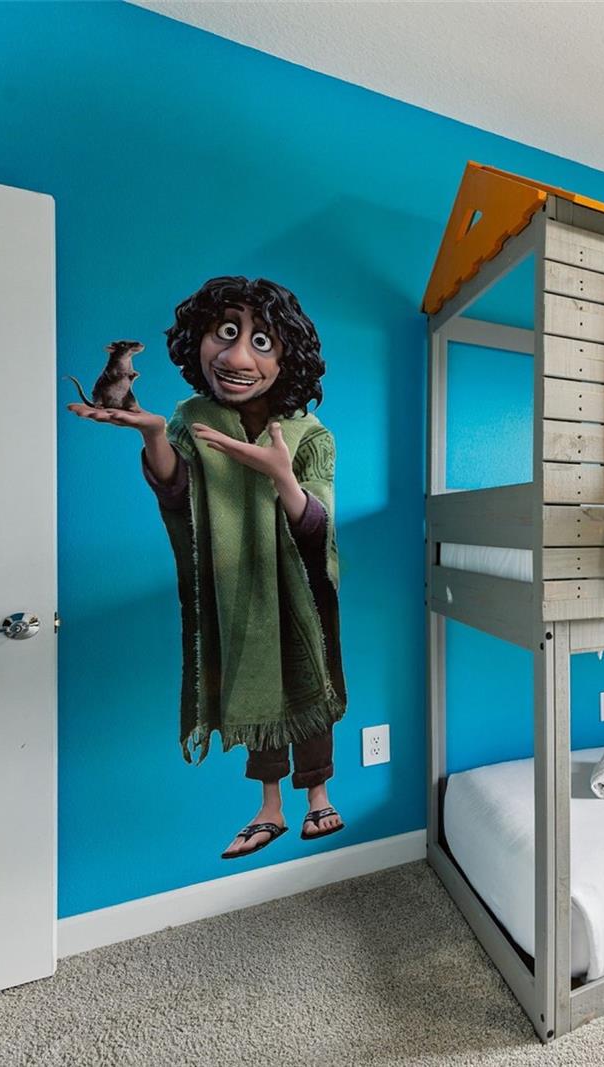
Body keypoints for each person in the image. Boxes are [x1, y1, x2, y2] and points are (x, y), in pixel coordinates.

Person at [69, 276, 348, 859]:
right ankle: (270, 809)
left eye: (261, 341)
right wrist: (153, 434)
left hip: (296, 591)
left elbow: (317, 526)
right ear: (198, 340)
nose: (238, 356)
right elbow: (179, 494)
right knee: (255, 681)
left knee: (306, 682)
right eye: (226, 333)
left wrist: (281, 475)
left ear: (287, 356)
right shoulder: (191, 418)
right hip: (234, 590)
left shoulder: (307, 434)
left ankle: (317, 795)